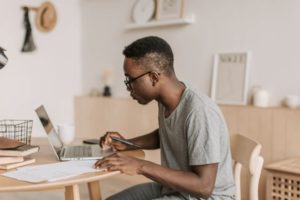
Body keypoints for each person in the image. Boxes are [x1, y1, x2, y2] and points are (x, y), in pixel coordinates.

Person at [95, 36, 235, 200]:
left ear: (153, 77)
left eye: (130, 80)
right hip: (173, 189)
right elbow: (167, 135)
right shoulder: (166, 100)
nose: (128, 88)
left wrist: (140, 166)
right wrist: (128, 144)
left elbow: (204, 187)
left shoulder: (199, 111)